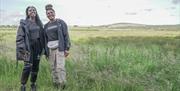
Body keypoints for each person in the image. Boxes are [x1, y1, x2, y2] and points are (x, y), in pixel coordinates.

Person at [16, 6, 44, 91]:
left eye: (34, 10)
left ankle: (33, 84)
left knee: (36, 67)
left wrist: (43, 48)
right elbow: (20, 37)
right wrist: (22, 49)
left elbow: (43, 37)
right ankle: (23, 85)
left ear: (36, 12)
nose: (32, 11)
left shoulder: (39, 23)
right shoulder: (24, 23)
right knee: (27, 66)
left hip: (37, 48)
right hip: (28, 48)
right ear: (27, 13)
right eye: (30, 10)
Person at [44, 4, 71, 89]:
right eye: (48, 13)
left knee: (60, 67)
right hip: (50, 49)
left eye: (51, 12)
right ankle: (55, 84)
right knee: (53, 67)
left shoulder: (60, 22)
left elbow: (66, 35)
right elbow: (45, 39)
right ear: (46, 15)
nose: (50, 14)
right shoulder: (46, 26)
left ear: (54, 13)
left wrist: (67, 48)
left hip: (60, 48)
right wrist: (46, 52)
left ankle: (62, 84)